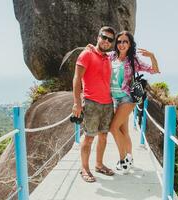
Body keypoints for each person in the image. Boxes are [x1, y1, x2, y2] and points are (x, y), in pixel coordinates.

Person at [108, 31, 160, 174]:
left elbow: (154, 70)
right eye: (119, 41)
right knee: (123, 130)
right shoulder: (111, 57)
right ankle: (130, 157)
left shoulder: (133, 59)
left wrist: (152, 56)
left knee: (113, 128)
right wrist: (90, 48)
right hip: (114, 98)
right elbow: (97, 56)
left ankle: (123, 160)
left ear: (130, 44)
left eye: (125, 41)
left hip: (127, 98)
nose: (122, 44)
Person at [72, 26, 116, 183]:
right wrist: (77, 102)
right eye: (104, 37)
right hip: (91, 103)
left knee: (103, 136)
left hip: (107, 103)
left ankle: (99, 164)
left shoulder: (108, 58)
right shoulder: (86, 54)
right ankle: (84, 168)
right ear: (98, 37)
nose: (106, 41)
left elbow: (126, 53)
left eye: (110, 39)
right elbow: (77, 78)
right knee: (89, 137)